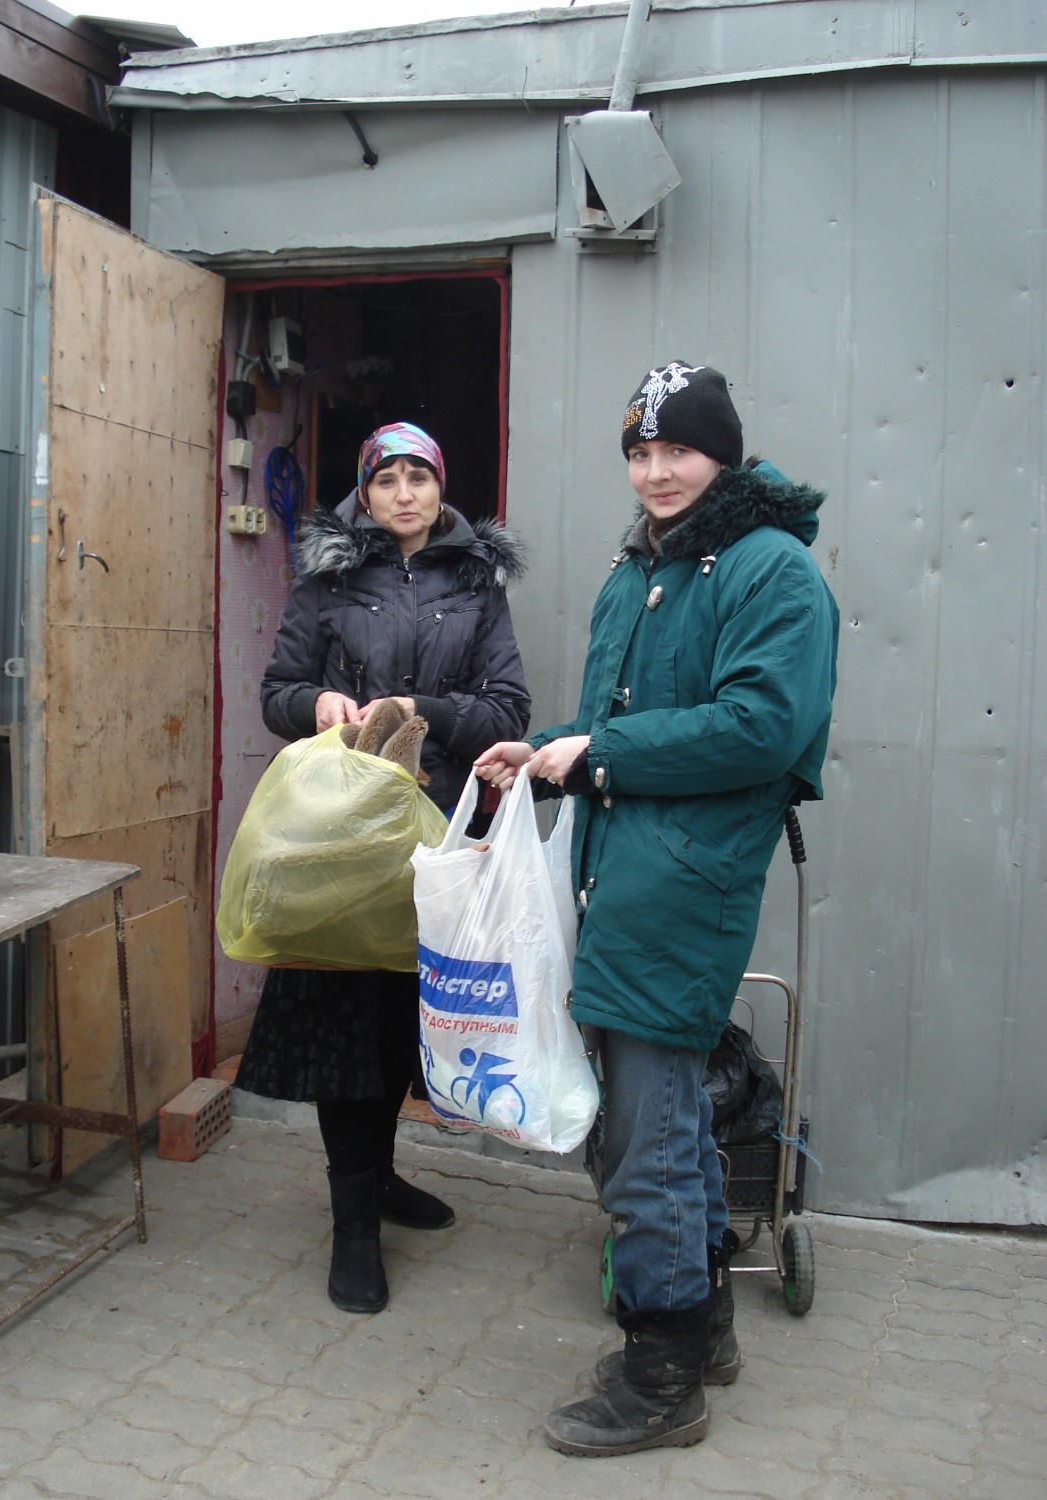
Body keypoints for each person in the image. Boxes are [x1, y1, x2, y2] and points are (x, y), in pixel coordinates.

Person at [474, 361, 838, 1457]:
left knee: (651, 1139)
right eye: (638, 452)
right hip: (618, 876)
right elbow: (613, 722)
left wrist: (598, 753)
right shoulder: (641, 568)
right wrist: (543, 754)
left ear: (721, 452)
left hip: (684, 885)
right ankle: (704, 1330)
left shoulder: (770, 571)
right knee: (650, 1123)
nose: (655, 471)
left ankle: (663, 1379)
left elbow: (761, 729)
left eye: (677, 449)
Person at [237, 420, 531, 1315]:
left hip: (436, 835)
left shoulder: (476, 583)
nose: (404, 493)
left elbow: (508, 706)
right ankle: (353, 1227)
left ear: (441, 489)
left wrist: (423, 708)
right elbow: (277, 693)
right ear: (363, 492)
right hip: (344, 840)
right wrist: (320, 702)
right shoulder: (328, 578)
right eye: (386, 478)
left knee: (410, 1020)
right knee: (346, 1024)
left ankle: (385, 1176)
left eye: (419, 477)